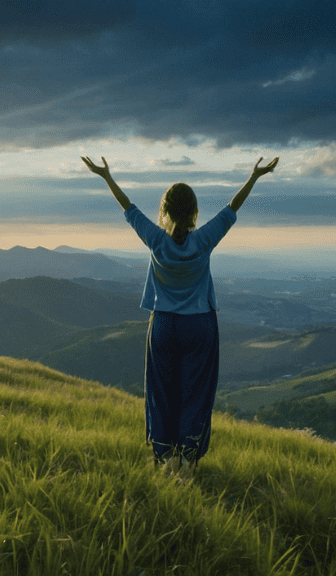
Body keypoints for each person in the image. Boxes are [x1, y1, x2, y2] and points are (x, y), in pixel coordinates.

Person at [81, 155, 279, 478]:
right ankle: (188, 457)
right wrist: (254, 176)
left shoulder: (156, 240)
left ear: (165, 211)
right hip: (200, 324)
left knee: (162, 391)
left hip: (162, 325)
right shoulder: (203, 240)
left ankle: (164, 457)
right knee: (195, 391)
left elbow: (128, 208)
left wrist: (106, 176)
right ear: (194, 212)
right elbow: (232, 208)